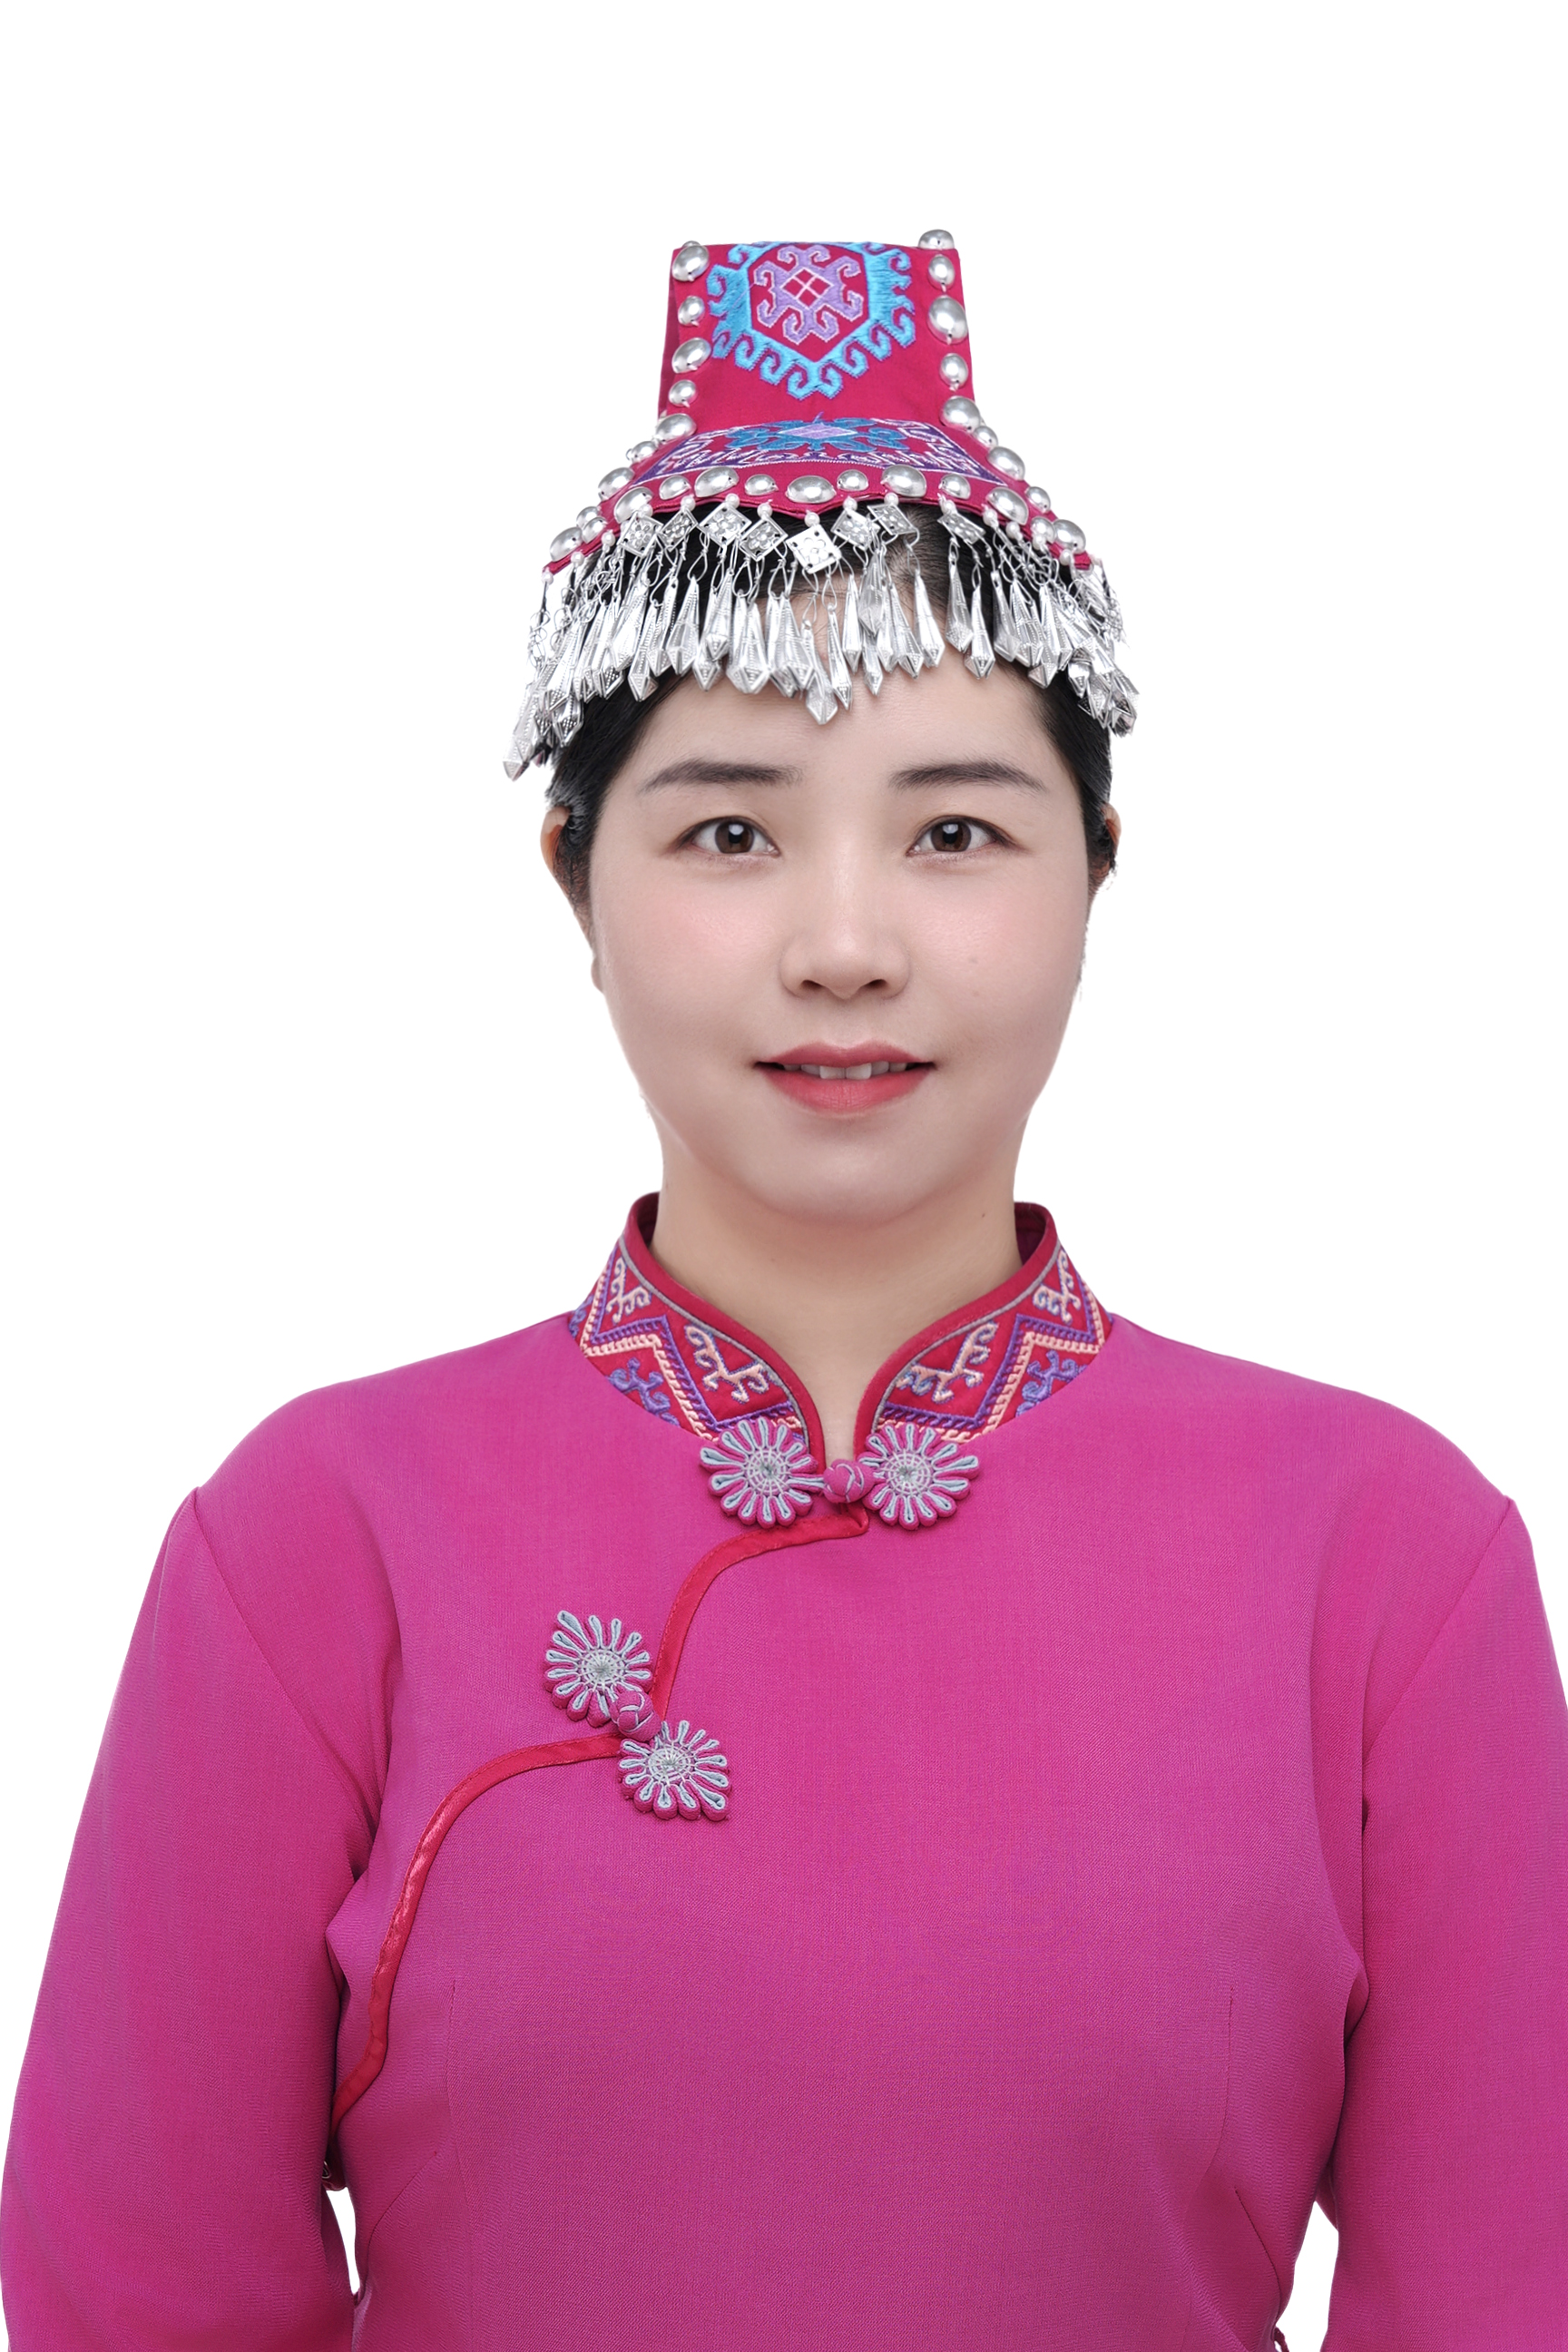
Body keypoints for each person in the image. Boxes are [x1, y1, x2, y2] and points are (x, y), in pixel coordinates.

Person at [4, 233, 1564, 2351]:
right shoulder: (317, 1539)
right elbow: (134, 2301)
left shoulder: (1386, 1563)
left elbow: (1506, 2301)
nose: (845, 945)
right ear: (574, 879)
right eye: (730, 836)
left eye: (956, 833)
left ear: (1100, 866)